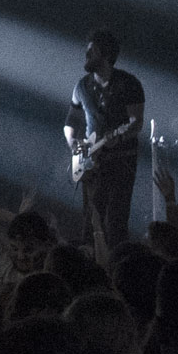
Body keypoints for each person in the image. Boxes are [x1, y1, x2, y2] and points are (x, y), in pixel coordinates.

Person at [62, 29, 143, 252]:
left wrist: (121, 136)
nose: (86, 54)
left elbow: (136, 122)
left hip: (121, 160)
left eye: (92, 50)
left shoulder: (129, 84)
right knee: (91, 220)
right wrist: (74, 145)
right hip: (91, 162)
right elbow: (70, 123)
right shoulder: (82, 86)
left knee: (116, 220)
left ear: (106, 54)